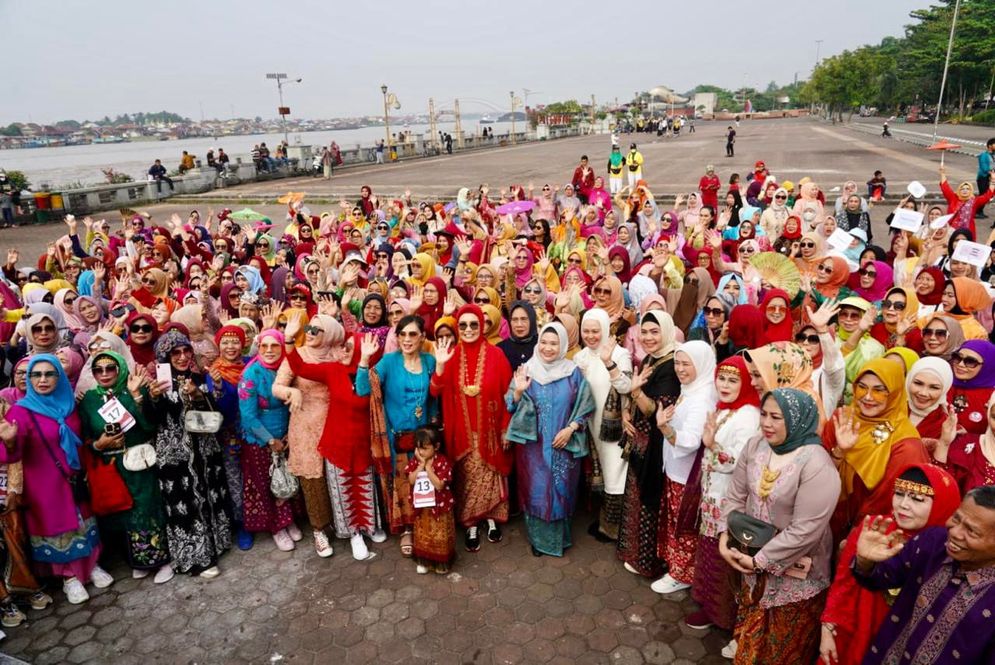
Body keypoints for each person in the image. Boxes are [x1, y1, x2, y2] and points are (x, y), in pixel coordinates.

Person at [719, 388, 841, 665]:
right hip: (749, 558)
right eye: (763, 414)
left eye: (776, 417)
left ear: (797, 421)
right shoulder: (755, 445)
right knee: (751, 639)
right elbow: (735, 495)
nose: (766, 423)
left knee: (781, 651)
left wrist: (759, 560)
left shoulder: (816, 463)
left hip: (795, 575)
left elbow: (806, 531)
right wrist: (725, 537)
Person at [819, 463, 961, 665]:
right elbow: (844, 582)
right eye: (899, 494)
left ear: (943, 503)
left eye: (917, 499)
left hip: (909, 643)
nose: (903, 504)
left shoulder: (949, 551)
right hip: (859, 628)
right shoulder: (874, 529)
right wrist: (828, 628)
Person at [0, 355, 113, 604]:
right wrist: (8, 441)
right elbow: (11, 454)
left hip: (74, 480)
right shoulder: (22, 410)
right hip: (44, 486)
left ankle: (91, 566)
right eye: (36, 375)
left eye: (49, 374)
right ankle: (69, 577)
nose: (42, 380)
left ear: (59, 377)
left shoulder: (69, 404)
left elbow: (81, 438)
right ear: (28, 379)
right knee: (57, 529)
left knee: (84, 523)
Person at [851, 486, 995, 665]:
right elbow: (879, 578)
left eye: (971, 531)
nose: (955, 532)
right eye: (956, 518)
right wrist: (865, 561)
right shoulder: (933, 542)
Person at [77, 351, 173, 584]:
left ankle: (162, 561)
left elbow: (150, 426)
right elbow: (86, 436)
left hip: (138, 461)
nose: (105, 373)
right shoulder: (88, 399)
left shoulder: (131, 389)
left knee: (146, 509)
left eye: (111, 368)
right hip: (111, 466)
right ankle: (139, 561)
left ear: (120, 368)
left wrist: (136, 396)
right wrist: (100, 444)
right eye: (99, 370)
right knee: (124, 514)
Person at [506, 322, 595, 557]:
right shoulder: (527, 370)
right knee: (535, 490)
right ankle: (539, 541)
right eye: (544, 342)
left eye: (554, 343)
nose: (548, 348)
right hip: (532, 449)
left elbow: (586, 405)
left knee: (561, 489)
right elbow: (509, 406)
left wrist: (571, 429)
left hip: (563, 443)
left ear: (563, 345)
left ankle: (560, 539)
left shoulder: (573, 372)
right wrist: (517, 391)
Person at [686, 356, 761, 633]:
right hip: (712, 496)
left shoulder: (749, 415)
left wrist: (712, 444)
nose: (725, 385)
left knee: (722, 557)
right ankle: (708, 606)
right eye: (722, 378)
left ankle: (722, 616)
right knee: (708, 552)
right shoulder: (725, 409)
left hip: (728, 500)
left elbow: (740, 461)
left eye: (733, 380)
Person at [149, 329, 231, 578]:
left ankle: (216, 543)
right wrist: (152, 399)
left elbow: (216, 418)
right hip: (176, 456)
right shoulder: (158, 385)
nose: (183, 357)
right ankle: (197, 557)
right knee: (186, 504)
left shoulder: (199, 377)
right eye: (175, 353)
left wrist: (201, 394)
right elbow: (153, 422)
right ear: (165, 356)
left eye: (186, 351)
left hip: (205, 450)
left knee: (209, 496)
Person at [430, 304, 513, 552]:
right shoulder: (451, 355)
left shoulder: (497, 355)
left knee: (489, 474)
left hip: (490, 430)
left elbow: (508, 395)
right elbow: (435, 390)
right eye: (463, 325)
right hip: (461, 432)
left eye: (473, 324)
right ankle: (471, 524)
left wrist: (506, 427)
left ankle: (491, 518)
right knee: (467, 478)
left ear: (482, 326)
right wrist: (441, 366)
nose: (468, 329)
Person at [357, 314, 437, 558]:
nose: (407, 339)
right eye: (402, 334)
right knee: (402, 486)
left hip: (423, 439)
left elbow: (434, 396)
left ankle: (425, 526)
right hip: (396, 439)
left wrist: (433, 421)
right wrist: (364, 359)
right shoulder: (389, 362)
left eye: (413, 334)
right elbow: (362, 389)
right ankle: (406, 530)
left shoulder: (430, 361)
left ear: (423, 337)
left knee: (424, 481)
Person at [824, 358, 930, 541]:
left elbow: (886, 502)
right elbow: (816, 473)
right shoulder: (842, 418)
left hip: (866, 533)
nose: (867, 397)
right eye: (862, 387)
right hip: (824, 516)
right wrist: (840, 451)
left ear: (895, 393)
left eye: (879, 391)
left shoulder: (906, 443)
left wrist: (854, 538)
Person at [617, 310, 681, 578]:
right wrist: (625, 414)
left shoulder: (672, 365)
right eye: (644, 331)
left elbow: (656, 411)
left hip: (656, 445)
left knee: (648, 498)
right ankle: (632, 552)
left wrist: (635, 392)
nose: (648, 337)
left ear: (666, 331)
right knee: (635, 494)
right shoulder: (651, 359)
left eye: (655, 331)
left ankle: (647, 562)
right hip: (640, 442)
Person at [651, 340, 716, 595]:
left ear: (700, 364)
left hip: (686, 475)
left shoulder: (702, 398)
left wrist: (664, 427)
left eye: (685, 364)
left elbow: (689, 441)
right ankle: (676, 568)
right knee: (677, 523)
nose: (679, 369)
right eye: (677, 363)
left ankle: (682, 574)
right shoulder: (691, 389)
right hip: (677, 471)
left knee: (684, 526)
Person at [574, 308, 633, 542]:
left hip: (614, 426)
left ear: (605, 330)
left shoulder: (620, 354)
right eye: (586, 331)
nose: (590, 336)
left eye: (595, 331)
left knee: (615, 474)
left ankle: (614, 529)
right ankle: (605, 522)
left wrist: (608, 363)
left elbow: (626, 387)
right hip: (591, 424)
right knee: (602, 473)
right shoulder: (582, 357)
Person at [405, 426, 455, 574]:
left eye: (425, 448)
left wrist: (428, 467)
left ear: (436, 447)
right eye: (418, 448)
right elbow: (411, 480)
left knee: (439, 535)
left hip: (440, 506)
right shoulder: (416, 461)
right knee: (423, 535)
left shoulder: (442, 461)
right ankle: (424, 561)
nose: (421, 452)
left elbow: (439, 485)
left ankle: (440, 562)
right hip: (423, 507)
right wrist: (420, 466)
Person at [975, 137, 995, 219]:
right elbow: (984, 167)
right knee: (983, 195)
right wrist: (991, 172)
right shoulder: (983, 155)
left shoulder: (993, 155)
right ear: (990, 145)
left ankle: (980, 211)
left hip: (990, 177)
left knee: (988, 195)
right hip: (983, 177)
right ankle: (977, 211)